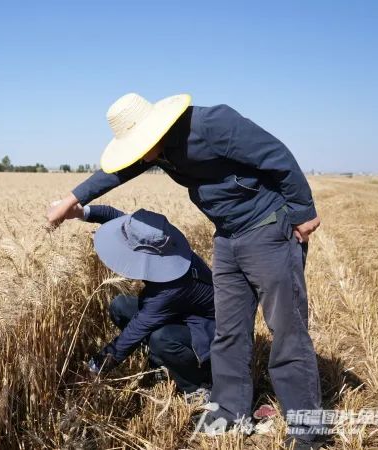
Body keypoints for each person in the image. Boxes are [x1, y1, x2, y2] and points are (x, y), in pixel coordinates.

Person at [46, 93, 323, 449]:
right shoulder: (160, 149)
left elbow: (276, 155)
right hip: (227, 237)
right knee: (229, 329)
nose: (134, 157)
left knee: (287, 329)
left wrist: (302, 210)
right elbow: (118, 173)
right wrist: (73, 201)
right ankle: (229, 410)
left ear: (153, 131)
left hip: (267, 227)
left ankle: (308, 431)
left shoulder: (212, 124)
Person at [69, 203, 215, 401]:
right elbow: (116, 217)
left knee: (161, 338)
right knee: (120, 306)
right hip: (181, 313)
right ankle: (160, 363)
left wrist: (95, 367)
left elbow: (133, 333)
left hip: (209, 334)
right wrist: (80, 211)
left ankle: (196, 386)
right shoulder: (162, 242)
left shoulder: (169, 290)